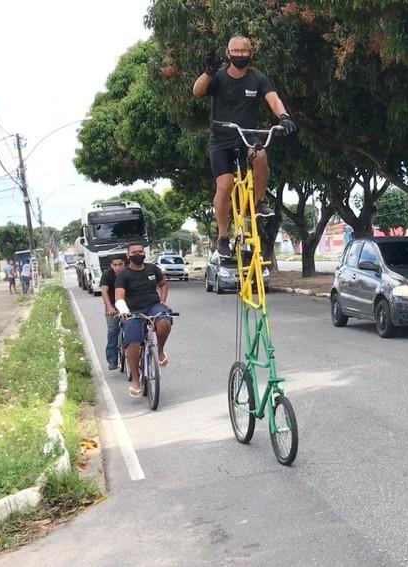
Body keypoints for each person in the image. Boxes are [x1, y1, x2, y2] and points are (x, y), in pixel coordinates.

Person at [191, 35, 297, 258]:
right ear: (228, 53)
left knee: (261, 156)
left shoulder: (258, 78)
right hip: (221, 138)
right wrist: (208, 72)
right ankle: (222, 237)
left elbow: (273, 99)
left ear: (251, 53)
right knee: (225, 185)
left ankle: (258, 203)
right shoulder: (218, 77)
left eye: (244, 51)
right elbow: (197, 91)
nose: (240, 55)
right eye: (236, 51)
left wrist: (284, 117)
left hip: (246, 135)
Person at [114, 243, 172, 398]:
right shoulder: (123, 275)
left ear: (144, 253)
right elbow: (119, 297)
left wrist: (163, 300)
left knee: (164, 321)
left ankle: (160, 350)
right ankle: (135, 379)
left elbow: (163, 284)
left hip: (153, 306)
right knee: (132, 343)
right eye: (134, 252)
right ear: (128, 255)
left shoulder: (153, 269)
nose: (138, 254)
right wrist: (123, 310)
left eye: (140, 251)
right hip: (133, 311)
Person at [100, 256, 126, 371]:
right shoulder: (107, 275)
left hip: (126, 306)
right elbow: (104, 292)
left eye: (120, 264)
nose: (118, 267)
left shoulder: (127, 273)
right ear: (111, 265)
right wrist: (110, 308)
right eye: (115, 265)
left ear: (124, 264)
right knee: (112, 331)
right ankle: (112, 360)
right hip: (112, 307)